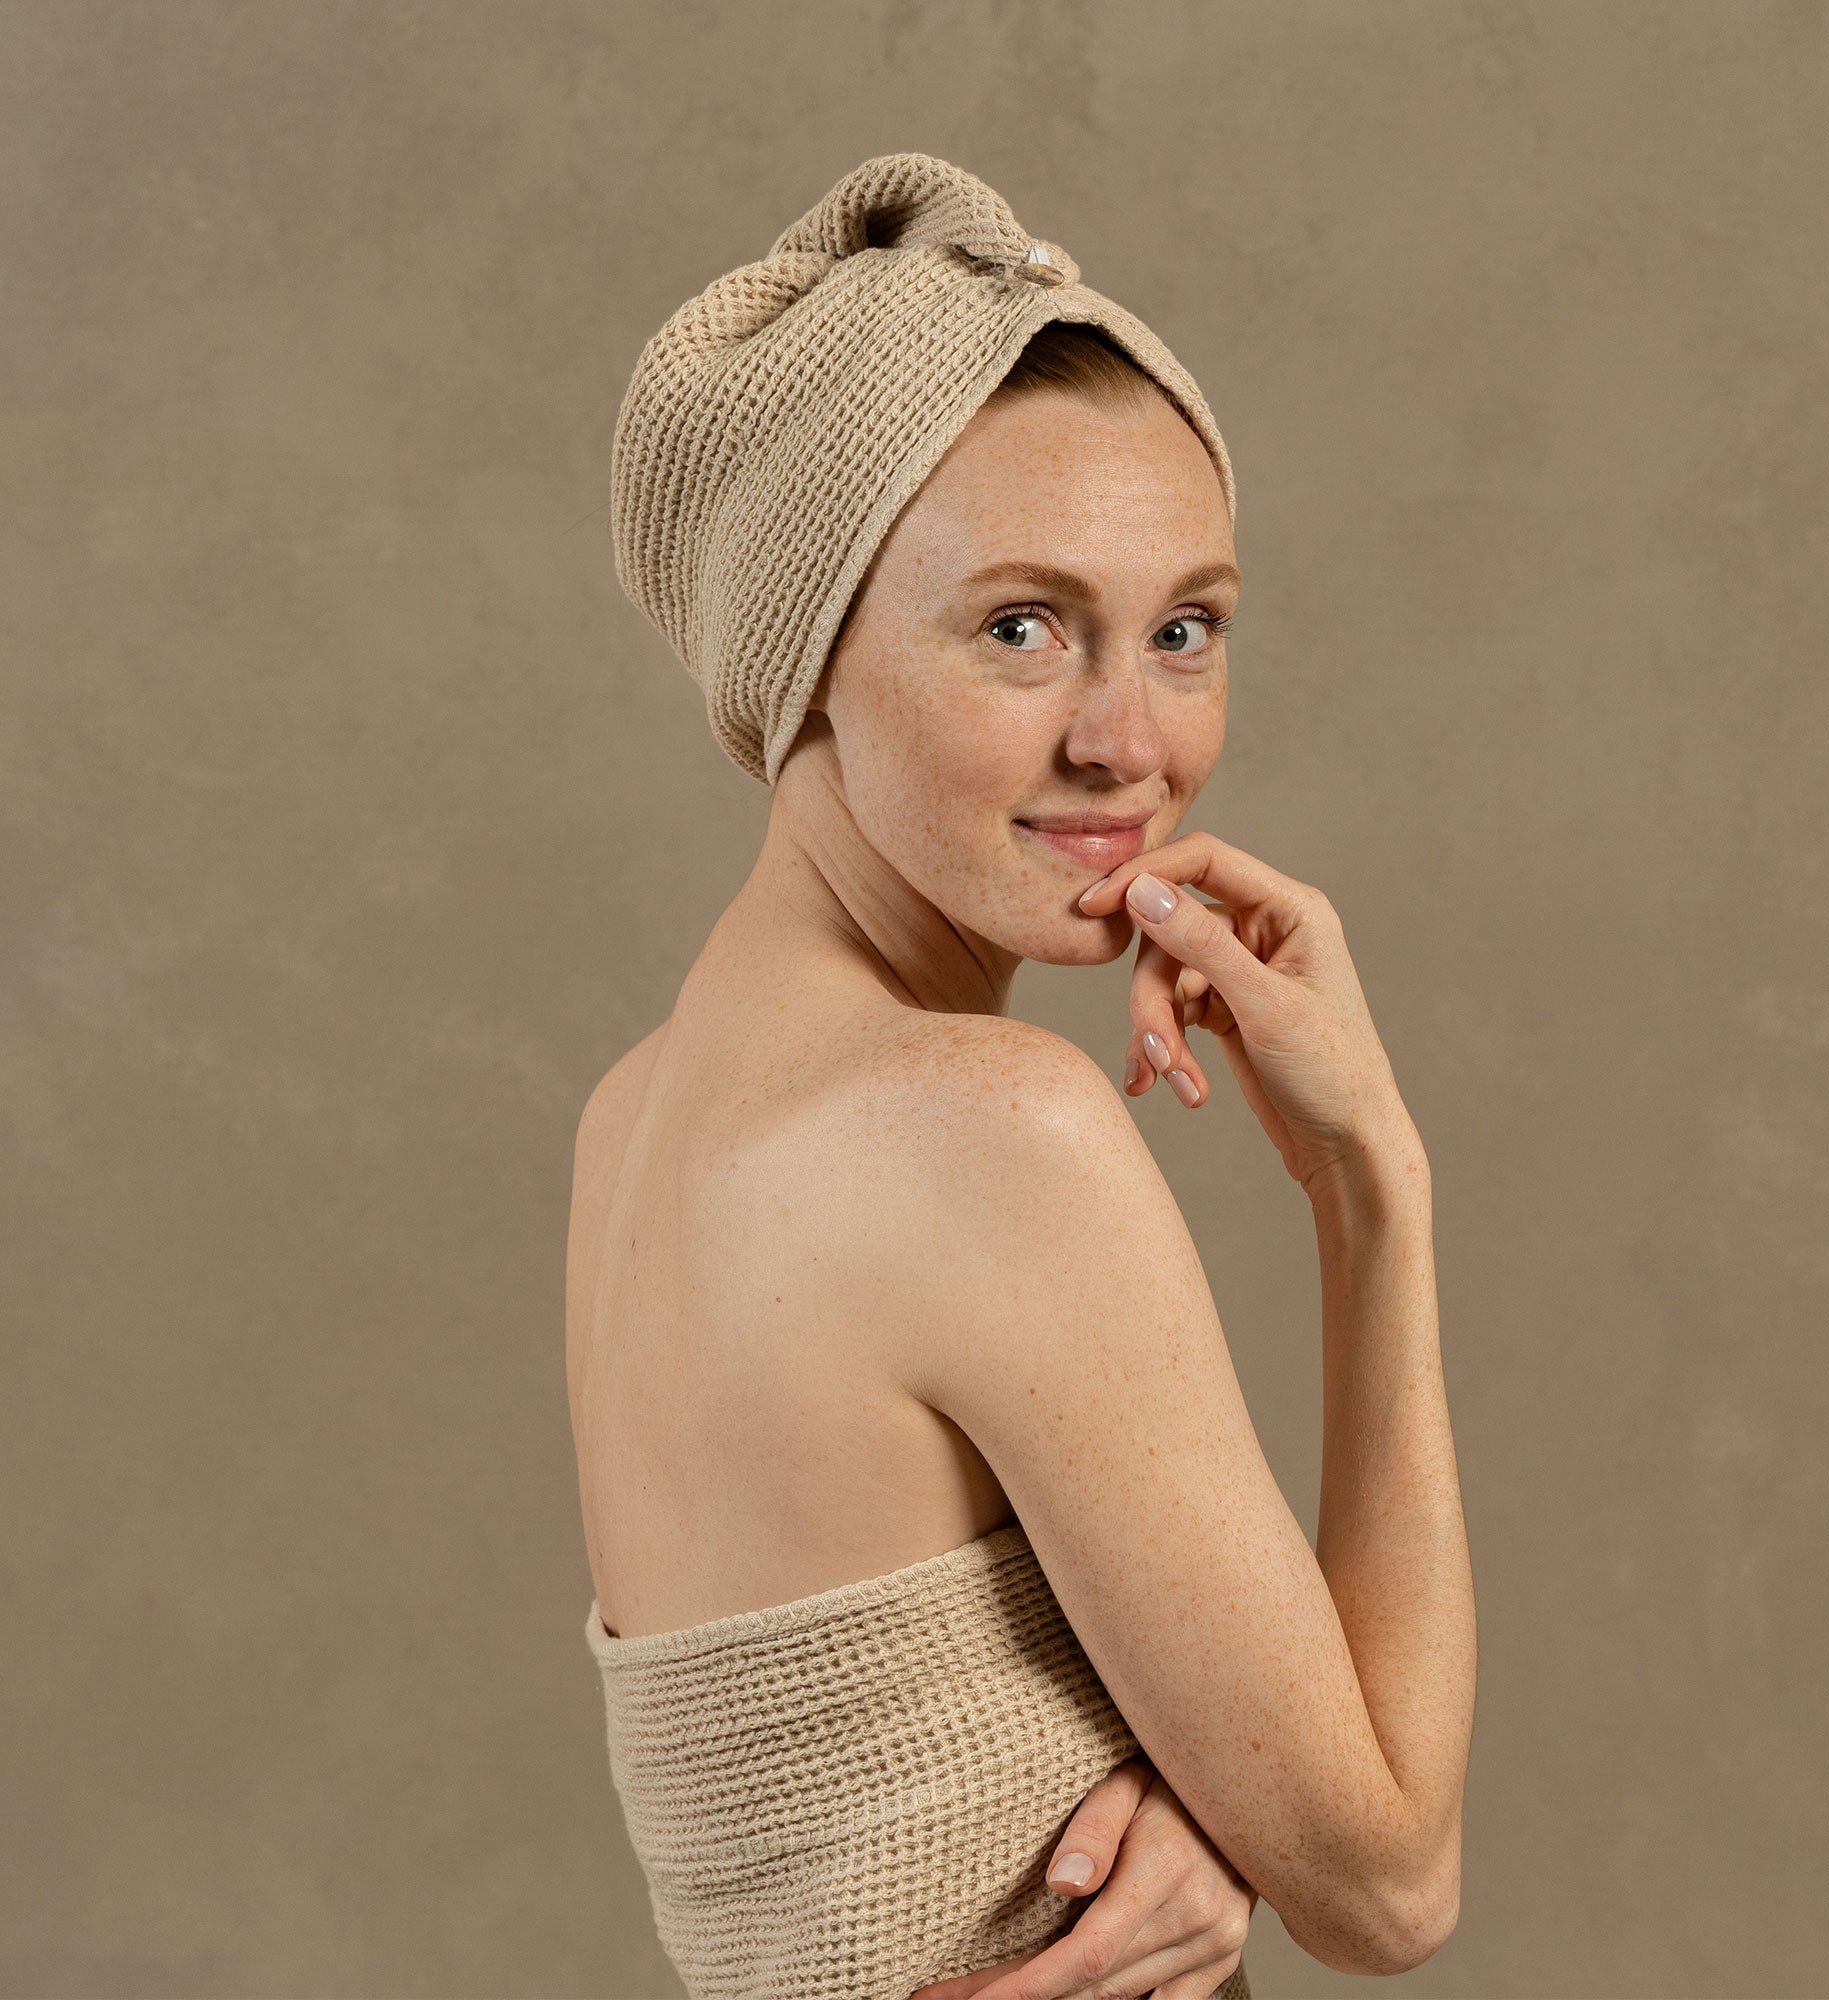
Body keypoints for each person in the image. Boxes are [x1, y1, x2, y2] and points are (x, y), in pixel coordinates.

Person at [569, 153, 1476, 2000]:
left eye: (1184, 630)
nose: (1128, 741)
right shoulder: (986, 1131)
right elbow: (1389, 1888)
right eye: (1020, 628)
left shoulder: (636, 1119)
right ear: (809, 657)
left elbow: (881, 1800)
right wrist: (1369, 1183)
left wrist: (1211, 1801)